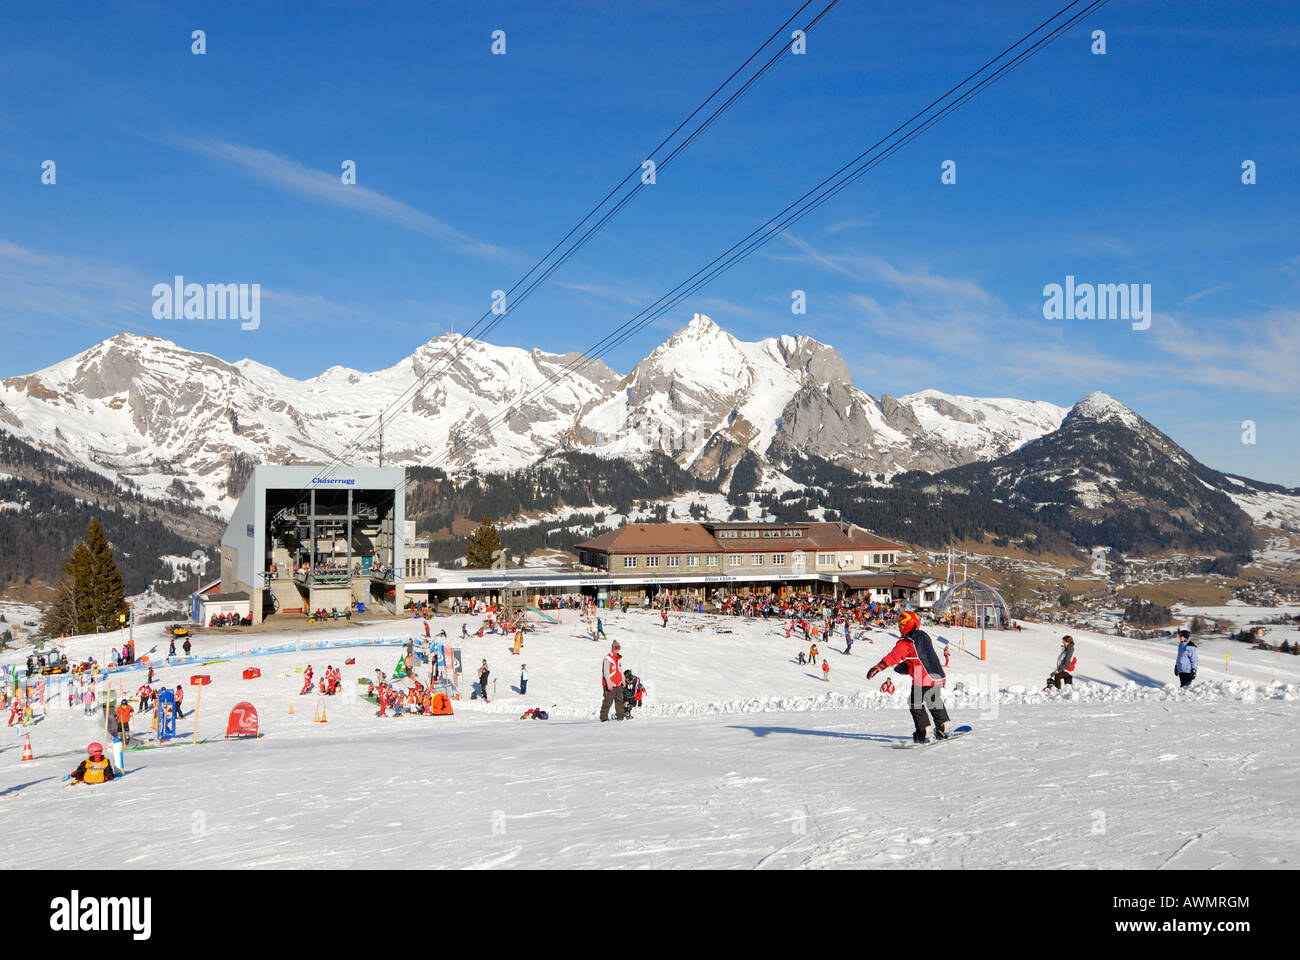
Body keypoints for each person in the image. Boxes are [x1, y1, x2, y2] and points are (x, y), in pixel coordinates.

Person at [867, 610, 950, 744]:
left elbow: (894, 656)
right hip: (937, 675)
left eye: (901, 626)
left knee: (914, 703)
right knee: (933, 700)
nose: (900, 629)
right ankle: (944, 726)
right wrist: (907, 665)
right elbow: (919, 656)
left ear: (906, 625)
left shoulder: (906, 642)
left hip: (922, 677)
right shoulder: (924, 636)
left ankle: (924, 732)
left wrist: (878, 666)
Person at [600, 640, 626, 722]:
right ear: (613, 648)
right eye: (616, 648)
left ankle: (621, 716)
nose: (618, 650)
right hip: (610, 684)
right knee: (608, 702)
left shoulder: (618, 659)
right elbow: (606, 672)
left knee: (619, 701)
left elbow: (620, 670)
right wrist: (608, 683)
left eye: (619, 648)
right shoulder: (607, 659)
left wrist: (623, 680)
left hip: (618, 684)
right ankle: (603, 718)